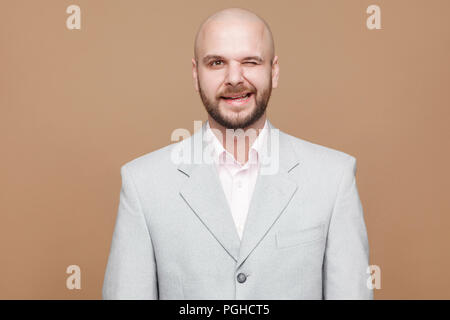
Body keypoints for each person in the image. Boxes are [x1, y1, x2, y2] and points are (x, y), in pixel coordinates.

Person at [102, 7, 373, 300]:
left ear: (274, 70)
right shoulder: (142, 183)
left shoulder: (334, 177)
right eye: (217, 62)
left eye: (250, 61)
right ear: (196, 74)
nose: (234, 78)